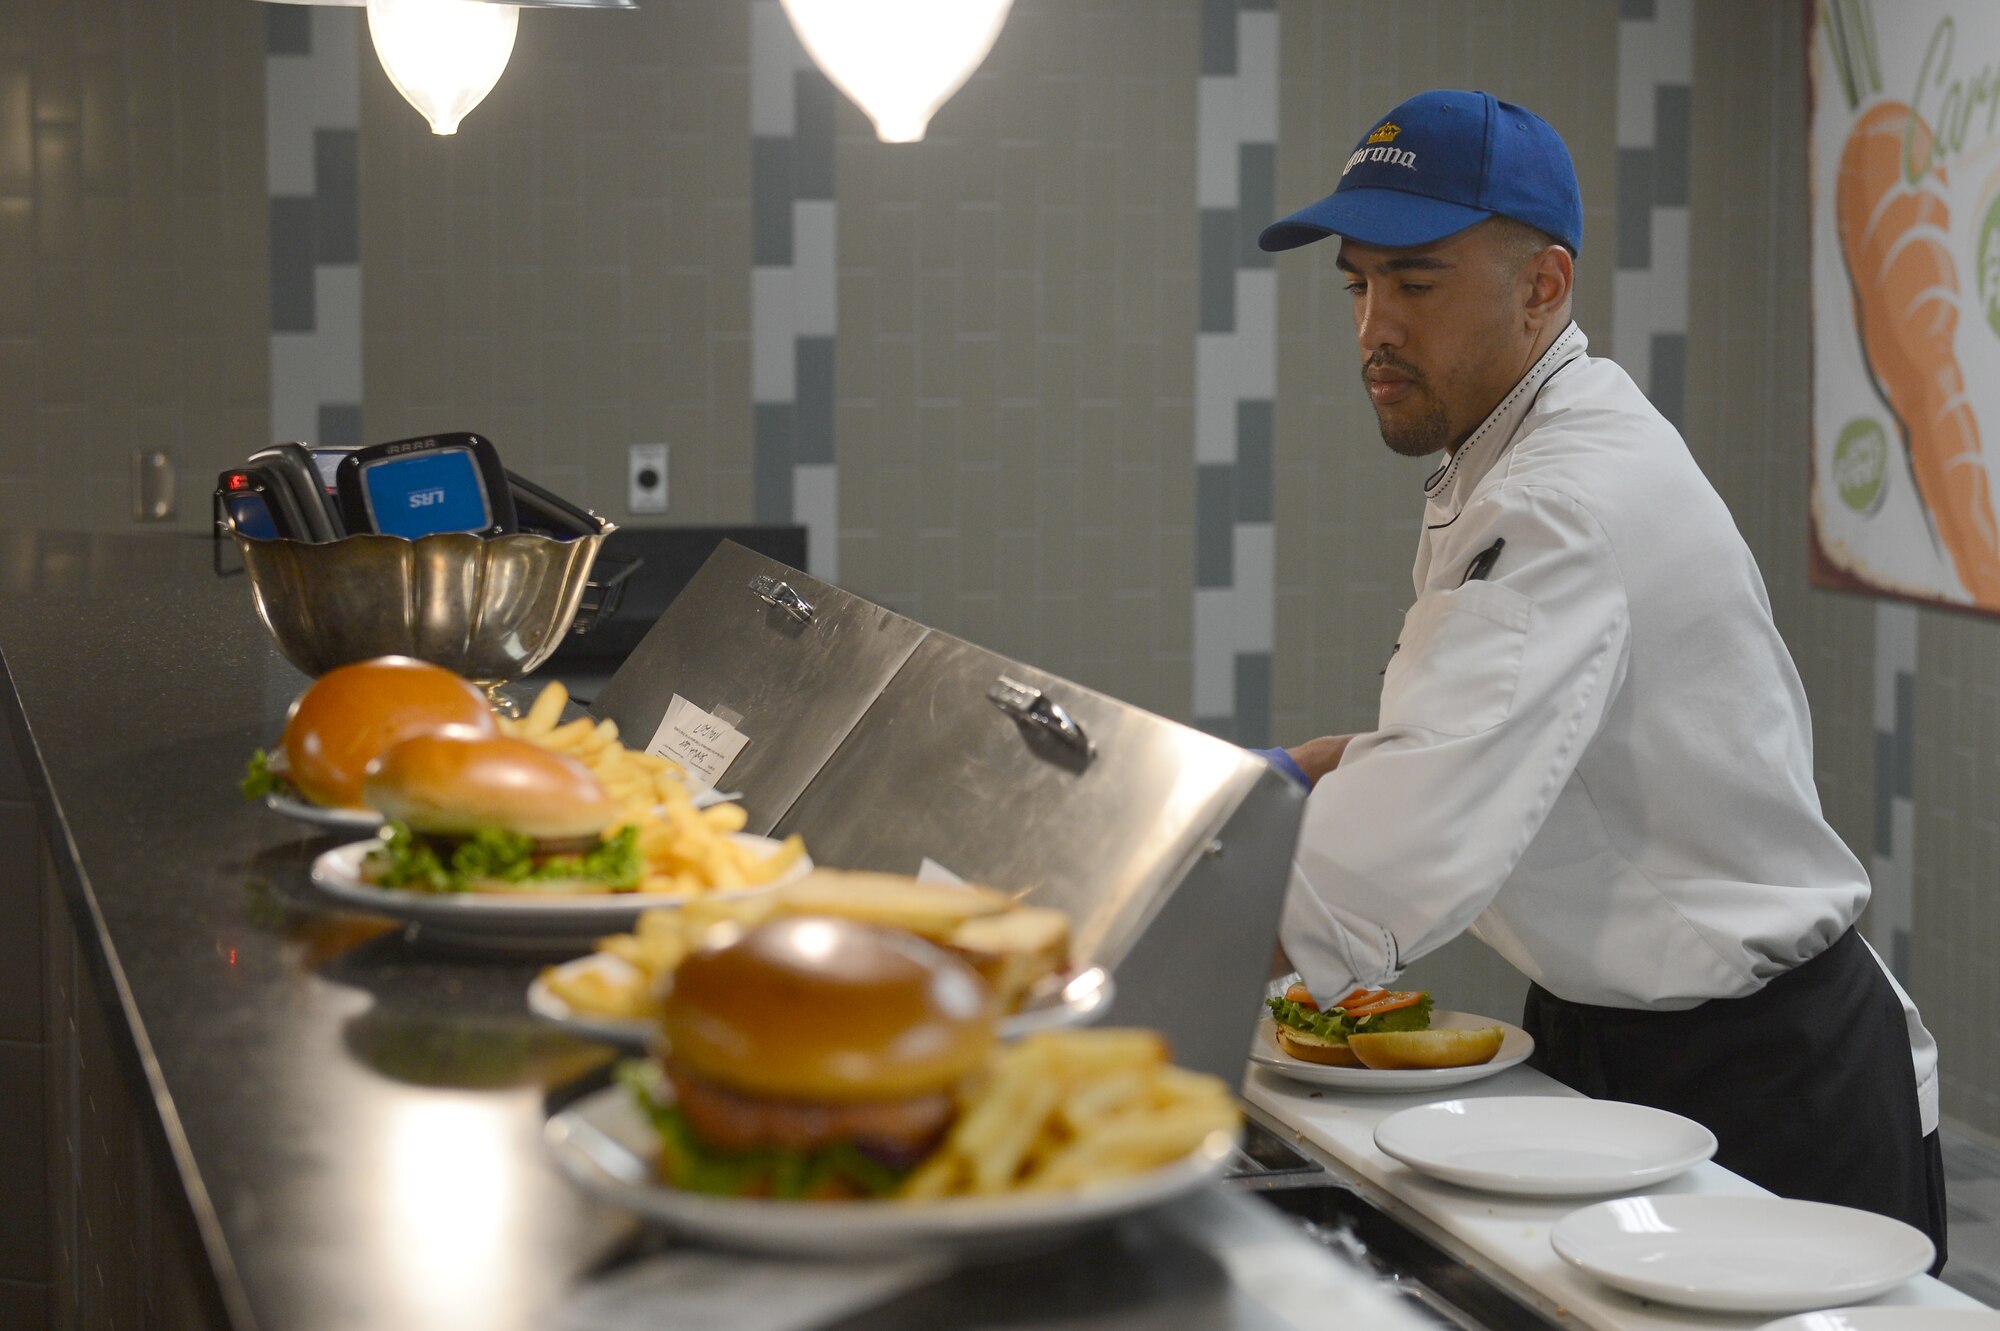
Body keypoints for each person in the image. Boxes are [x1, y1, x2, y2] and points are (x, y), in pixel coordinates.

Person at [1255, 88, 1946, 1264]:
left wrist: (1121, 951)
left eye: (1413, 284)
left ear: (1543, 285)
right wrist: (1343, 768)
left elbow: (1378, 876)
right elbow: (1510, 742)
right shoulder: (1527, 441)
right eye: (1356, 283)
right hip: (1606, 1037)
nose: (1373, 324)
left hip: (1764, 1079)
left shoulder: (1557, 496)